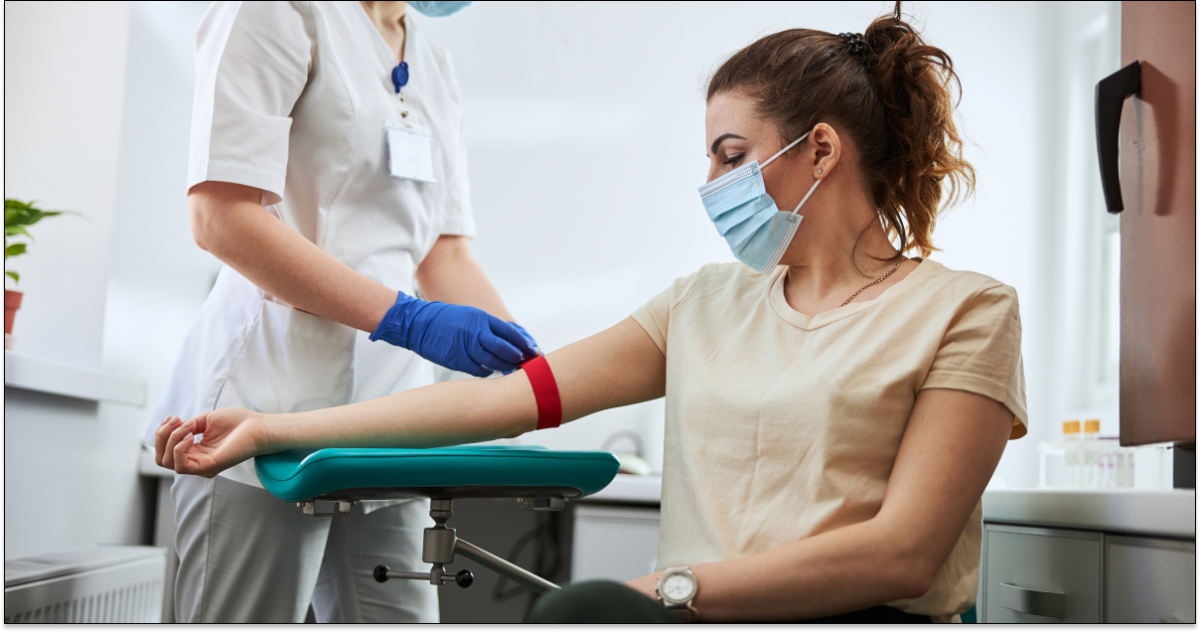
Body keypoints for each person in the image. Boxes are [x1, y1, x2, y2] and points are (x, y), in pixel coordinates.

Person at [156, 2, 1026, 624]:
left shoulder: (965, 312)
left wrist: (661, 592)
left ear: (822, 150)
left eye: (731, 156)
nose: (713, 187)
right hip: (275, 363)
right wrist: (275, 424)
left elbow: (903, 556)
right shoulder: (705, 303)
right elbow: (500, 396)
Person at [143, 0, 539, 624]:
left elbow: (446, 253)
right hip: (266, 391)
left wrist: (535, 374)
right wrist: (407, 319)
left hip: (389, 419)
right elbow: (221, 215)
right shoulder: (279, 9)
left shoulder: (433, 61)